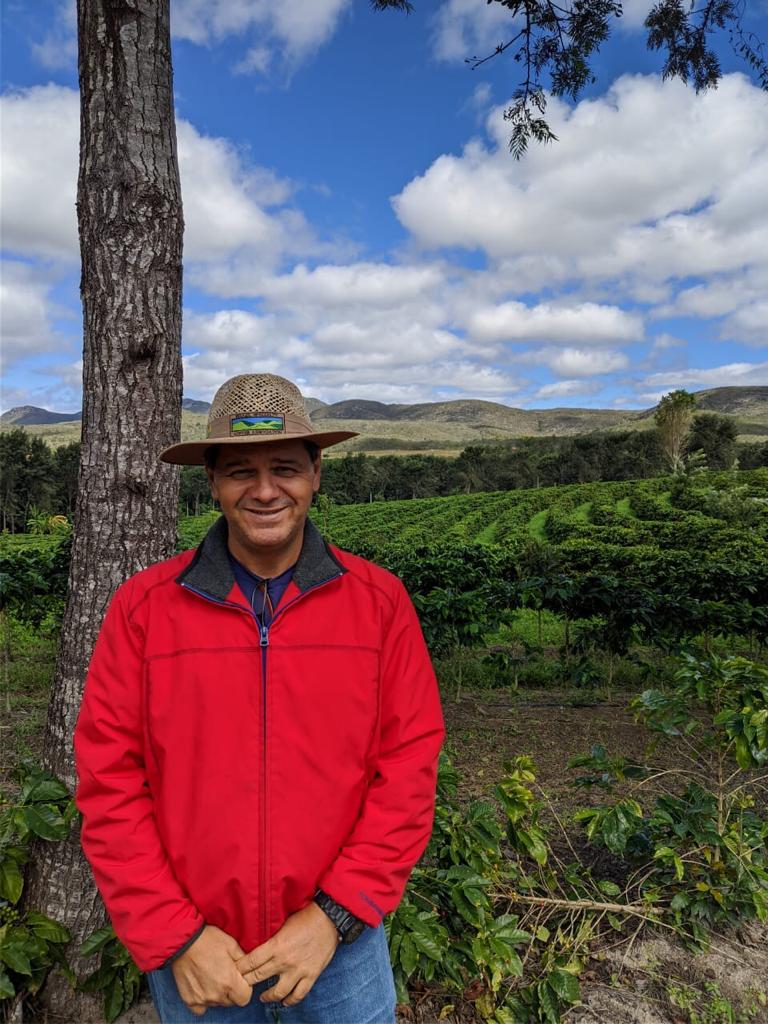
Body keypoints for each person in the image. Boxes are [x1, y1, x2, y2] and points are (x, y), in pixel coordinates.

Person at [74, 373, 445, 1023]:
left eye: (284, 468)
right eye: (241, 469)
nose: (266, 489)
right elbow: (109, 783)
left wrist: (335, 915)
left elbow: (408, 769)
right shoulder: (144, 610)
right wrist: (176, 935)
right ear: (213, 481)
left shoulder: (379, 605)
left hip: (339, 949)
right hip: (201, 954)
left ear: (316, 474)